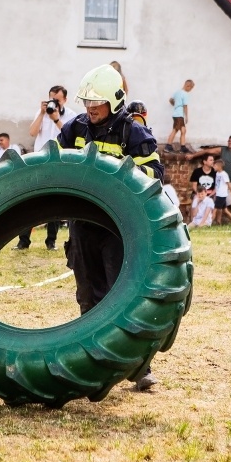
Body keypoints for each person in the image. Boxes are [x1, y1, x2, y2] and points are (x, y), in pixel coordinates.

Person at [58, 64, 163, 391]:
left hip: (119, 228)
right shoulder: (74, 128)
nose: (90, 108)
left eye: (97, 103)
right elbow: (54, 167)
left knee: (125, 294)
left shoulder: (133, 133)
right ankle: (94, 360)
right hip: (82, 224)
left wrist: (117, 181)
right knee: (88, 294)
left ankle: (140, 366)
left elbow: (154, 177)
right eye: (87, 102)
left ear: (115, 102)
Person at [18, 85, 78, 251]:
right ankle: (23, 241)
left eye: (57, 100)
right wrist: (43, 113)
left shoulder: (72, 116)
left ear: (64, 100)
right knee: (30, 200)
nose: (54, 103)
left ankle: (51, 241)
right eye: (51, 98)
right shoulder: (42, 113)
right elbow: (32, 132)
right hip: (40, 159)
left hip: (58, 161)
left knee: (54, 201)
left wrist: (56, 118)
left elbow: (69, 137)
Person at [185, 135, 231, 222]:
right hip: (226, 182)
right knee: (228, 201)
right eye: (229, 141)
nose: (229, 142)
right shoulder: (223, 150)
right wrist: (193, 155)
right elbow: (207, 151)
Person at [165, 79, 195, 153]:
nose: (190, 90)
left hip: (176, 114)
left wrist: (175, 105)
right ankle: (168, 146)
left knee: (183, 130)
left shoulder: (177, 92)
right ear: (187, 85)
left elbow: (171, 100)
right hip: (179, 115)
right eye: (190, 88)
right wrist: (187, 116)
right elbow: (185, 106)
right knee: (175, 130)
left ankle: (182, 147)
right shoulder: (185, 94)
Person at [213, 159, 231, 226]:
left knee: (215, 209)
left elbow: (229, 185)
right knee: (225, 210)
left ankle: (208, 224)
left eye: (215, 166)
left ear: (219, 166)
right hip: (218, 194)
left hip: (222, 195)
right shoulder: (217, 174)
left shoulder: (224, 174)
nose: (213, 167)